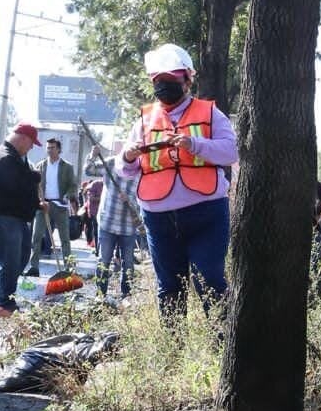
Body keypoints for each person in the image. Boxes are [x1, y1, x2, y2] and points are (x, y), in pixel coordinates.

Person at [119, 44, 238, 317]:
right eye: (159, 82)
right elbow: (125, 169)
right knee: (169, 287)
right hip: (158, 218)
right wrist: (128, 155)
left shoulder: (210, 114)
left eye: (171, 81)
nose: (164, 87)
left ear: (187, 80)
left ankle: (224, 344)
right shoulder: (144, 120)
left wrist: (194, 144)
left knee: (209, 280)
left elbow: (230, 152)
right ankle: (173, 354)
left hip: (205, 214)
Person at [0, 123, 42, 310]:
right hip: (4, 215)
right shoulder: (5, 156)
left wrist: (36, 203)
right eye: (31, 143)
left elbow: (21, 186)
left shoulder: (15, 156)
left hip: (15, 216)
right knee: (10, 260)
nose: (32, 147)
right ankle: (6, 301)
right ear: (23, 138)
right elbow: (15, 185)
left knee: (23, 254)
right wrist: (34, 177)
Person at [26, 137, 78, 276]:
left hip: (60, 206)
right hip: (43, 205)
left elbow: (73, 186)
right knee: (36, 237)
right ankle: (34, 267)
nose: (49, 150)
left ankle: (68, 268)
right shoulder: (40, 166)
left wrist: (68, 196)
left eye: (52, 147)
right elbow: (34, 186)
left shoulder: (67, 167)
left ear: (59, 149)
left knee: (64, 238)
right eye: (48, 147)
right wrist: (38, 200)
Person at [95, 155, 141, 300]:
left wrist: (131, 202)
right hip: (108, 223)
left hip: (128, 227)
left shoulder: (142, 171)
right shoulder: (111, 163)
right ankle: (100, 295)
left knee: (128, 263)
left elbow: (145, 199)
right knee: (104, 260)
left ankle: (126, 295)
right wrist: (93, 155)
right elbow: (89, 169)